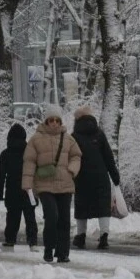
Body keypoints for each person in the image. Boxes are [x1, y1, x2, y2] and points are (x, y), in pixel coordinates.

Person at [22, 107, 82, 263]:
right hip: (45, 185)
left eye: (57, 120)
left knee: (64, 220)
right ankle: (48, 248)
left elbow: (76, 156)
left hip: (65, 184)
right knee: (51, 216)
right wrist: (27, 184)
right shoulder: (36, 139)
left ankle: (63, 253)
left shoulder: (68, 139)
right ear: (46, 121)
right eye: (51, 120)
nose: (54, 123)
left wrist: (72, 170)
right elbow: (29, 161)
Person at [70, 105, 120, 250]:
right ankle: (104, 236)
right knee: (103, 207)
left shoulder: (74, 136)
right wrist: (115, 176)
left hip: (81, 177)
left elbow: (70, 157)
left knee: (81, 207)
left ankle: (81, 236)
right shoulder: (99, 134)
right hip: (101, 176)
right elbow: (108, 157)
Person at [0, 123, 38, 251]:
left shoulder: (5, 154)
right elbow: (36, 172)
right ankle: (33, 242)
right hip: (28, 189)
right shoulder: (30, 152)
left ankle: (10, 241)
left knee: (12, 217)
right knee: (30, 217)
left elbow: (1, 174)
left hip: (12, 190)